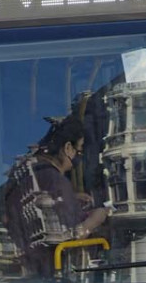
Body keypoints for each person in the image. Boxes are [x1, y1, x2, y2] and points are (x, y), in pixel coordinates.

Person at [28, 115, 110, 274]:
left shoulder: (38, 175)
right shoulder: (58, 181)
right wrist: (96, 219)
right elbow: (74, 235)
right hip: (59, 268)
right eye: (78, 150)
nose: (78, 157)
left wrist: (72, 197)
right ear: (67, 148)